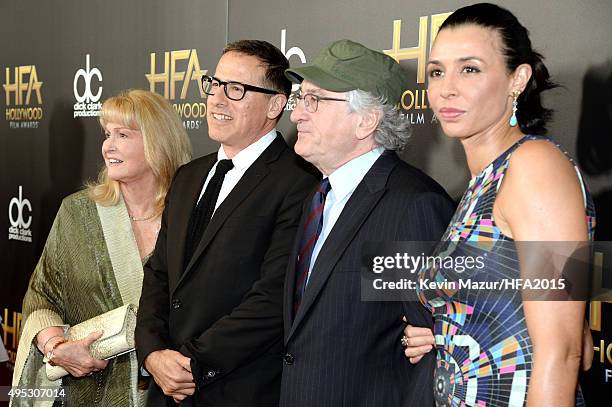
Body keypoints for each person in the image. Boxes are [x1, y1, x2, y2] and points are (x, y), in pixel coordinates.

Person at [402, 3, 595, 406]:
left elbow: (564, 354)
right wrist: (443, 333)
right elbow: (564, 330)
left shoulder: (534, 167)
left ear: (517, 79)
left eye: (469, 69)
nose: (446, 88)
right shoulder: (481, 183)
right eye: (437, 71)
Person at [135, 39, 318, 406]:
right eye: (214, 85)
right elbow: (159, 273)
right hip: (165, 388)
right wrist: (153, 354)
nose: (217, 99)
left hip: (237, 388)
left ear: (276, 104)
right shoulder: (188, 176)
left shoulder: (300, 183)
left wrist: (192, 363)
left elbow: (272, 298)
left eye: (236, 89)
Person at [280, 39, 455, 407]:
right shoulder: (319, 197)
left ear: (366, 120)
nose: (296, 114)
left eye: (314, 100)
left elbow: (432, 350)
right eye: (301, 99)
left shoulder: (411, 206)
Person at [12, 89, 192, 406]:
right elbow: (41, 296)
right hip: (90, 394)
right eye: (108, 134)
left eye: (123, 134)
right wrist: (57, 347)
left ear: (158, 143)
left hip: (171, 395)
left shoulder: (192, 216)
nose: (109, 145)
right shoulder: (77, 212)